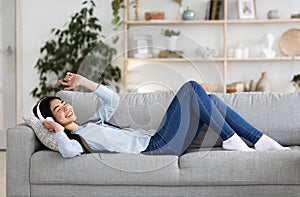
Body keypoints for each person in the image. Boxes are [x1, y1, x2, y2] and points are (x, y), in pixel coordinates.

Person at [33, 72, 290, 158]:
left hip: (156, 139)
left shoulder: (92, 123)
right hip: (154, 148)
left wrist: (82, 81)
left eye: (63, 103)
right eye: (58, 109)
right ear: (54, 120)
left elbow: (112, 99)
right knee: (191, 88)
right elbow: (66, 152)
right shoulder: (77, 140)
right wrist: (55, 130)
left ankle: (260, 140)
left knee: (210, 100)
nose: (65, 107)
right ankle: (231, 139)